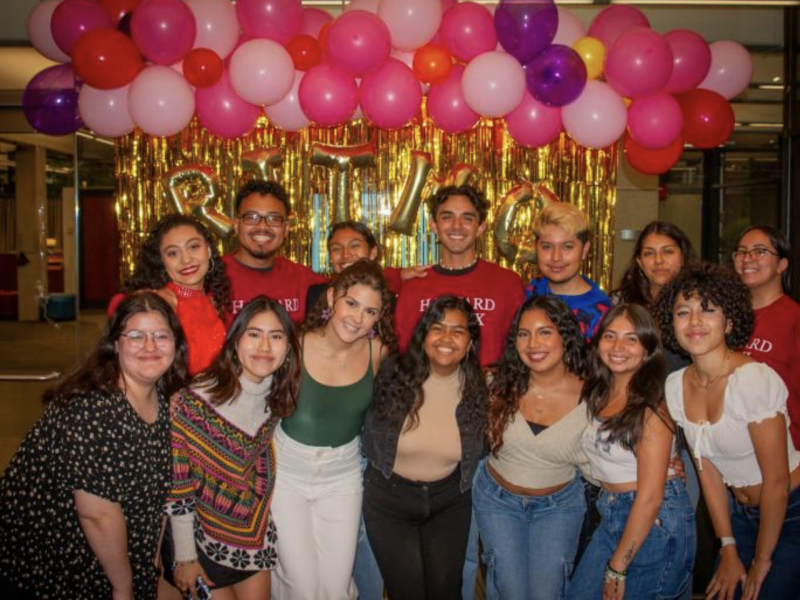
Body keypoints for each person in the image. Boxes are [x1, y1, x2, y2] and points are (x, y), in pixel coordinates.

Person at [0, 292, 188, 600]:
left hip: (117, 555)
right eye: (136, 336)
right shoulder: (91, 408)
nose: (150, 346)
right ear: (115, 344)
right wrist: (124, 588)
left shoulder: (164, 396)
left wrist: (151, 562)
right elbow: (97, 515)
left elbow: (158, 491)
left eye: (160, 335)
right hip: (58, 563)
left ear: (176, 344)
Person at [658, 263, 800, 600]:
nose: (694, 322)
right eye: (683, 312)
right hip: (740, 515)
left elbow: (777, 482)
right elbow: (706, 470)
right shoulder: (676, 385)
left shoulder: (752, 380)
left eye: (708, 310)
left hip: (791, 510)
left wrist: (761, 560)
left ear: (730, 321)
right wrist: (728, 546)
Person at [270, 260, 394, 600]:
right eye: (351, 303)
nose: (356, 318)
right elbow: (244, 378)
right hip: (288, 474)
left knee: (337, 587)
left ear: (379, 317)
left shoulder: (377, 353)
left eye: (370, 311)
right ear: (331, 298)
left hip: (343, 477)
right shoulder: (292, 344)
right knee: (302, 586)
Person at [162, 297, 300, 600]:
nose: (264, 346)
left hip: (251, 537)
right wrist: (185, 557)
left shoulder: (276, 397)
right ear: (235, 341)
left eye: (276, 337)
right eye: (253, 334)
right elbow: (179, 485)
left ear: (288, 348)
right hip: (198, 541)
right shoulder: (198, 399)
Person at [361, 295, 488, 600]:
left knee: (446, 592)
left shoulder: (480, 388)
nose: (446, 338)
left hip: (449, 504)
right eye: (438, 328)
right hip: (389, 502)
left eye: (457, 331)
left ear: (470, 342)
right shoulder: (390, 373)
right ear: (424, 335)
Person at [568, 304, 696, 600]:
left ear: (648, 348)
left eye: (631, 339)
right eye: (610, 336)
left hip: (655, 520)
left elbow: (651, 497)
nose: (618, 347)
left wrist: (617, 567)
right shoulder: (597, 393)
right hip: (612, 510)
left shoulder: (651, 408)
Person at [474, 296, 590, 600]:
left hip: (559, 507)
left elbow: (619, 444)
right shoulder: (495, 382)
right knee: (509, 590)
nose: (533, 343)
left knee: (547, 592)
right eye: (524, 334)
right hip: (496, 501)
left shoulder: (594, 394)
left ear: (565, 336)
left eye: (545, 332)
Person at [394, 184, 524, 368]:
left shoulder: (508, 284)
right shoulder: (413, 287)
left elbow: (520, 350)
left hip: (491, 393)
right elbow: (403, 355)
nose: (457, 226)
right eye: (447, 217)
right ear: (433, 225)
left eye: (467, 218)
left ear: (480, 227)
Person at [117, 213, 229, 376]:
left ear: (209, 250)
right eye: (173, 253)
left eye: (194, 247)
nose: (186, 260)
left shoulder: (213, 301)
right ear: (162, 262)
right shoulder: (160, 303)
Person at [733, 225, 800, 449]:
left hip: (785, 452)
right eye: (741, 252)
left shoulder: (794, 318)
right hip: (732, 452)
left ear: (782, 264)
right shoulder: (724, 318)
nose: (747, 258)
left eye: (760, 251)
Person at [223, 179, 327, 324]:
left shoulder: (302, 278)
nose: (263, 226)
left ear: (286, 228)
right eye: (251, 217)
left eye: (273, 218)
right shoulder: (210, 276)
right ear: (236, 225)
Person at [525, 202, 611, 341]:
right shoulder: (530, 291)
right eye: (547, 247)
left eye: (567, 247)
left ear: (584, 250)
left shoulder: (600, 310)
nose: (556, 257)